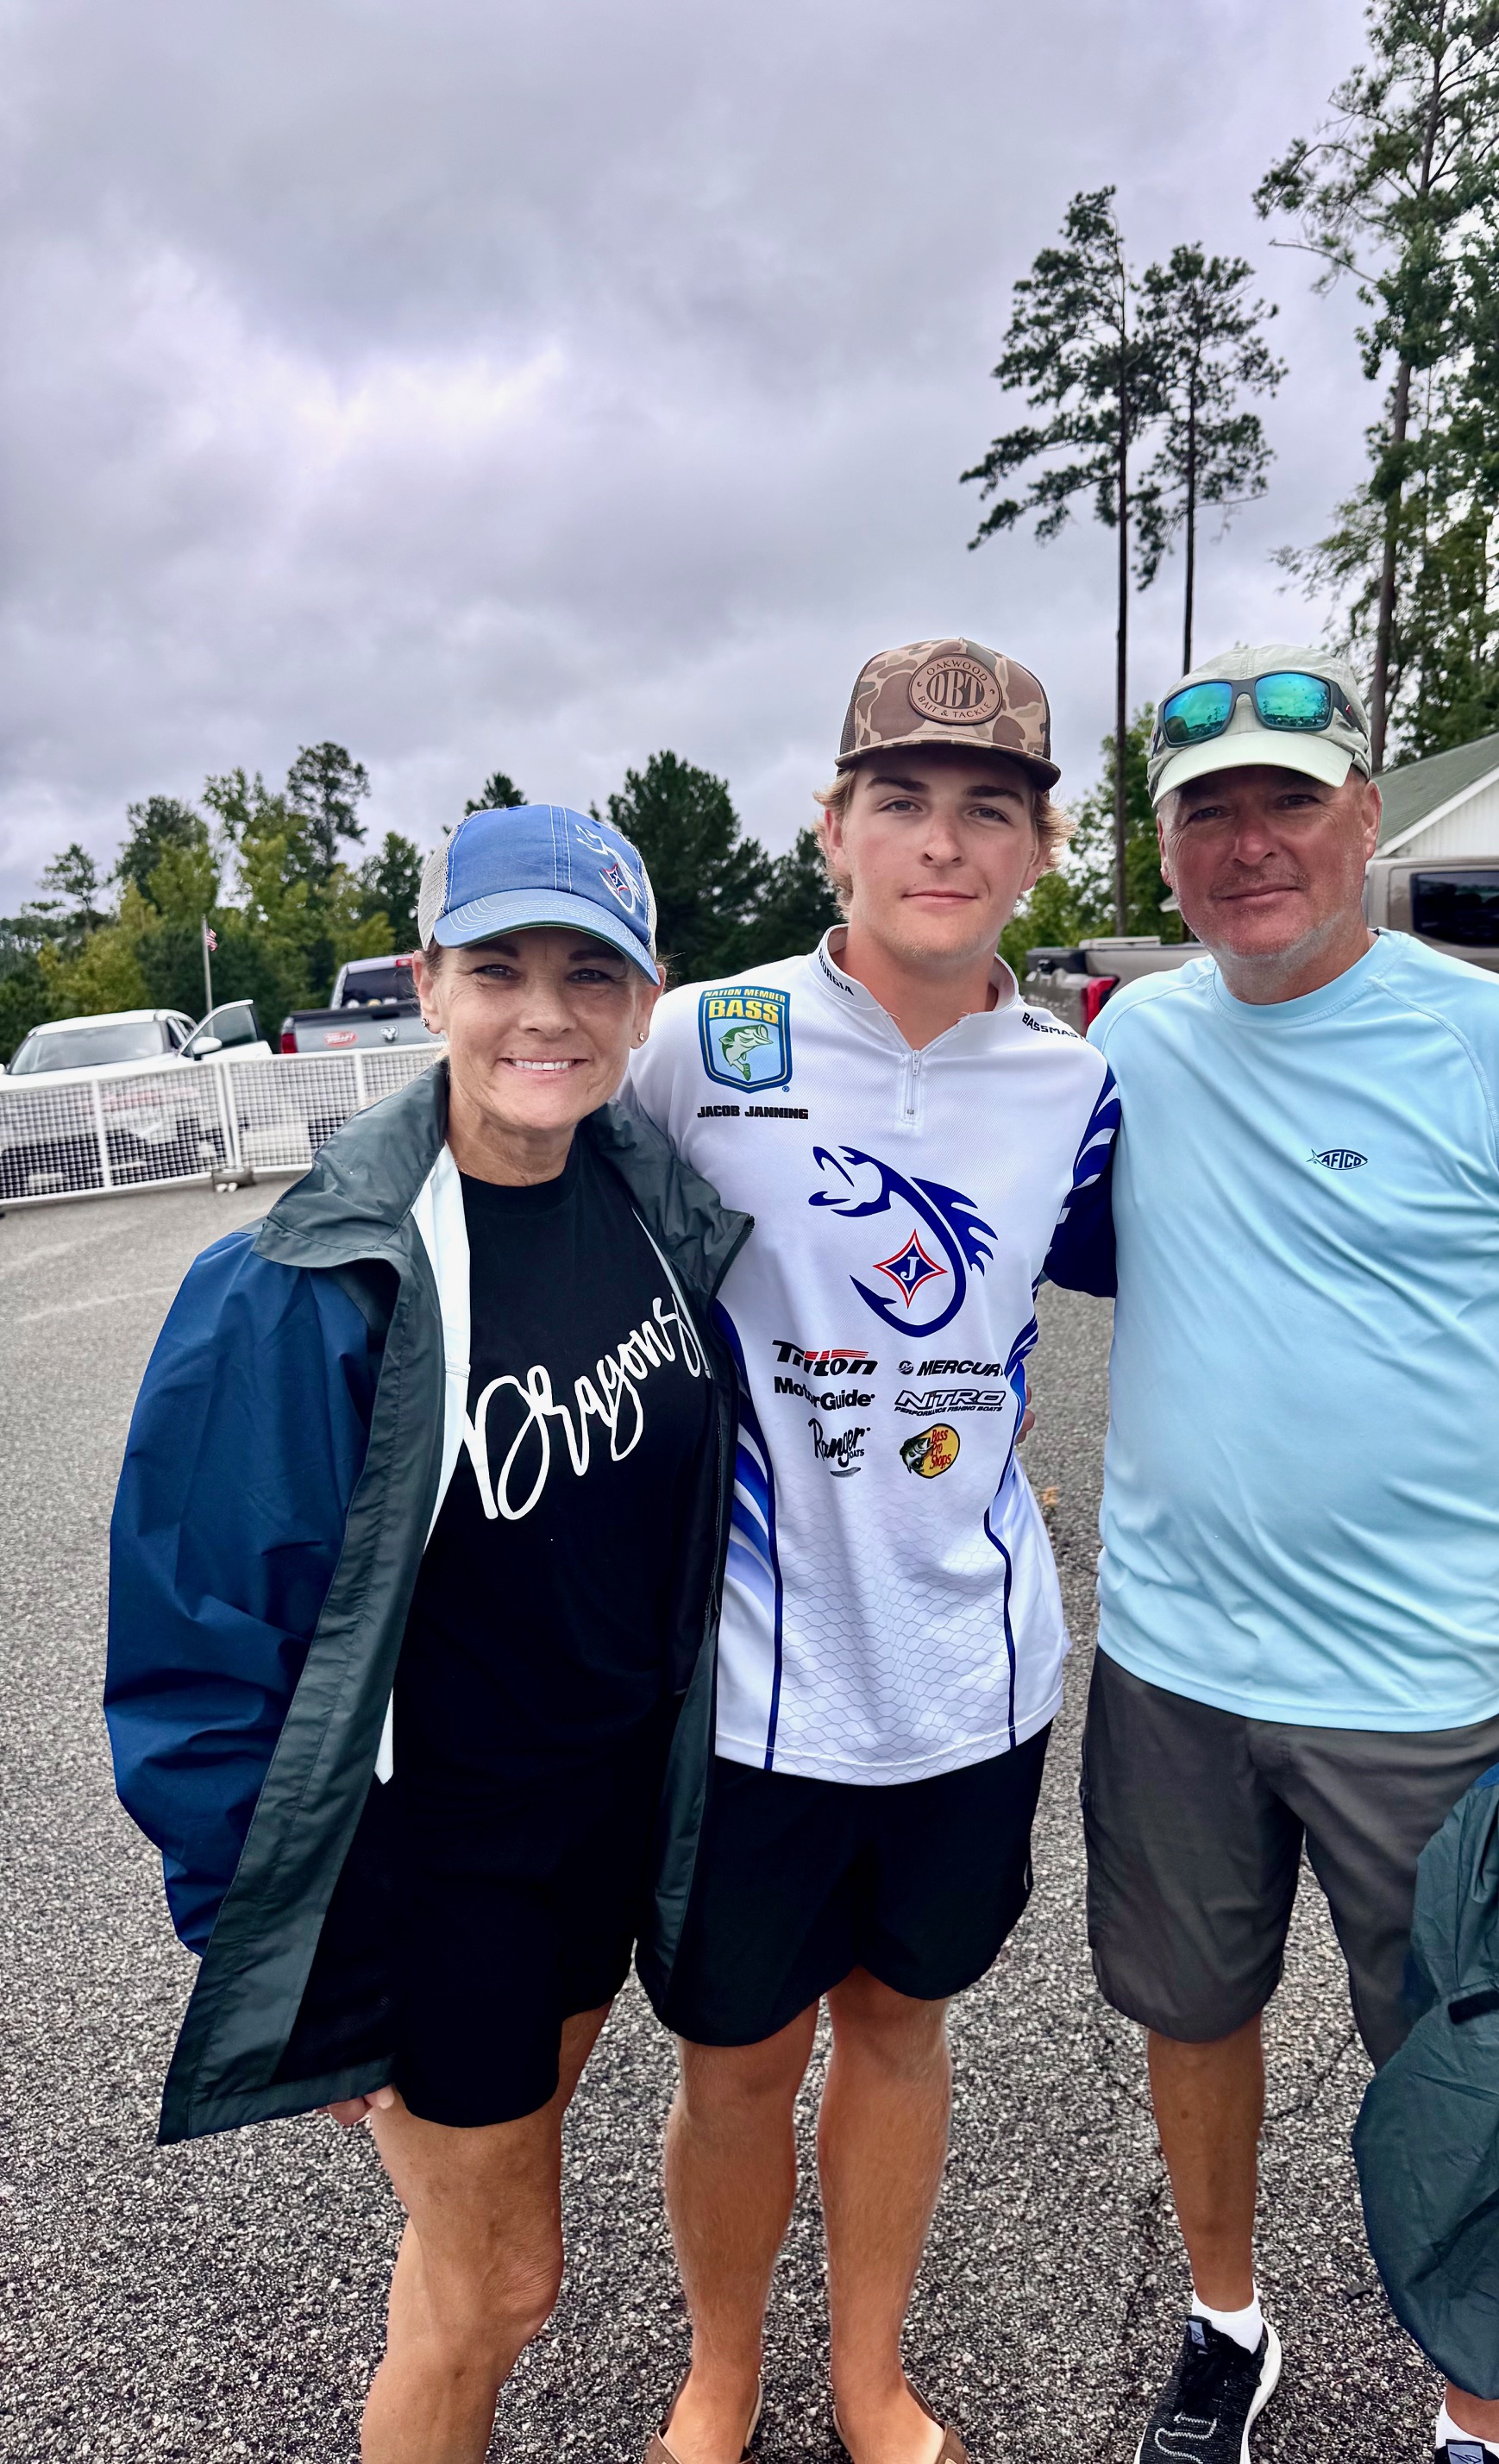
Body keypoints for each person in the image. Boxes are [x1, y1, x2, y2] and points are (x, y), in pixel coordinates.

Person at [1071, 645, 1499, 2464]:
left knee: (1472, 2072)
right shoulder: (1133, 1039)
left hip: (1418, 1696)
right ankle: (1225, 2324)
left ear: (1367, 818)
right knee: (1192, 2020)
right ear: (1169, 845)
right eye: (1212, 810)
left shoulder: (1496, 1043)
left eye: (1293, 798)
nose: (1254, 840)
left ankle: (1480, 2412)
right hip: (1171, 1668)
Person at [105, 804, 748, 2464]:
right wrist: (284, 1942)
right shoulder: (304, 1275)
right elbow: (197, 1637)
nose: (546, 1011)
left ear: (644, 994)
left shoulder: (645, 1199)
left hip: (601, 1831)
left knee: (464, 2273)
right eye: (499, 967)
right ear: (426, 983)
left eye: (589, 973)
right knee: (500, 2290)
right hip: (434, 1867)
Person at [620, 638, 1118, 2464]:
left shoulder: (1074, 1085)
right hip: (749, 1685)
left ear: (1039, 853)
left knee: (901, 2031)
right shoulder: (698, 1042)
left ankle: (869, 2380)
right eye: (899, 800)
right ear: (831, 827)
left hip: (971, 1677)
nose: (942, 840)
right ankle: (722, 2371)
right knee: (738, 2059)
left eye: (990, 809)